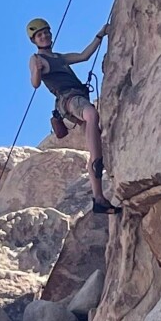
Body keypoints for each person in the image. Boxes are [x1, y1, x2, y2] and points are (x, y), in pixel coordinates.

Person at [26, 17, 119, 213]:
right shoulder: (36, 59)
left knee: (94, 140)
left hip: (77, 97)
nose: (44, 36)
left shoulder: (59, 58)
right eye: (39, 35)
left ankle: (99, 198)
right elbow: (35, 83)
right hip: (68, 99)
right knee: (91, 115)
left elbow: (84, 56)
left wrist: (100, 35)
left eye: (46, 33)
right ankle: (97, 160)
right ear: (34, 40)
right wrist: (36, 71)